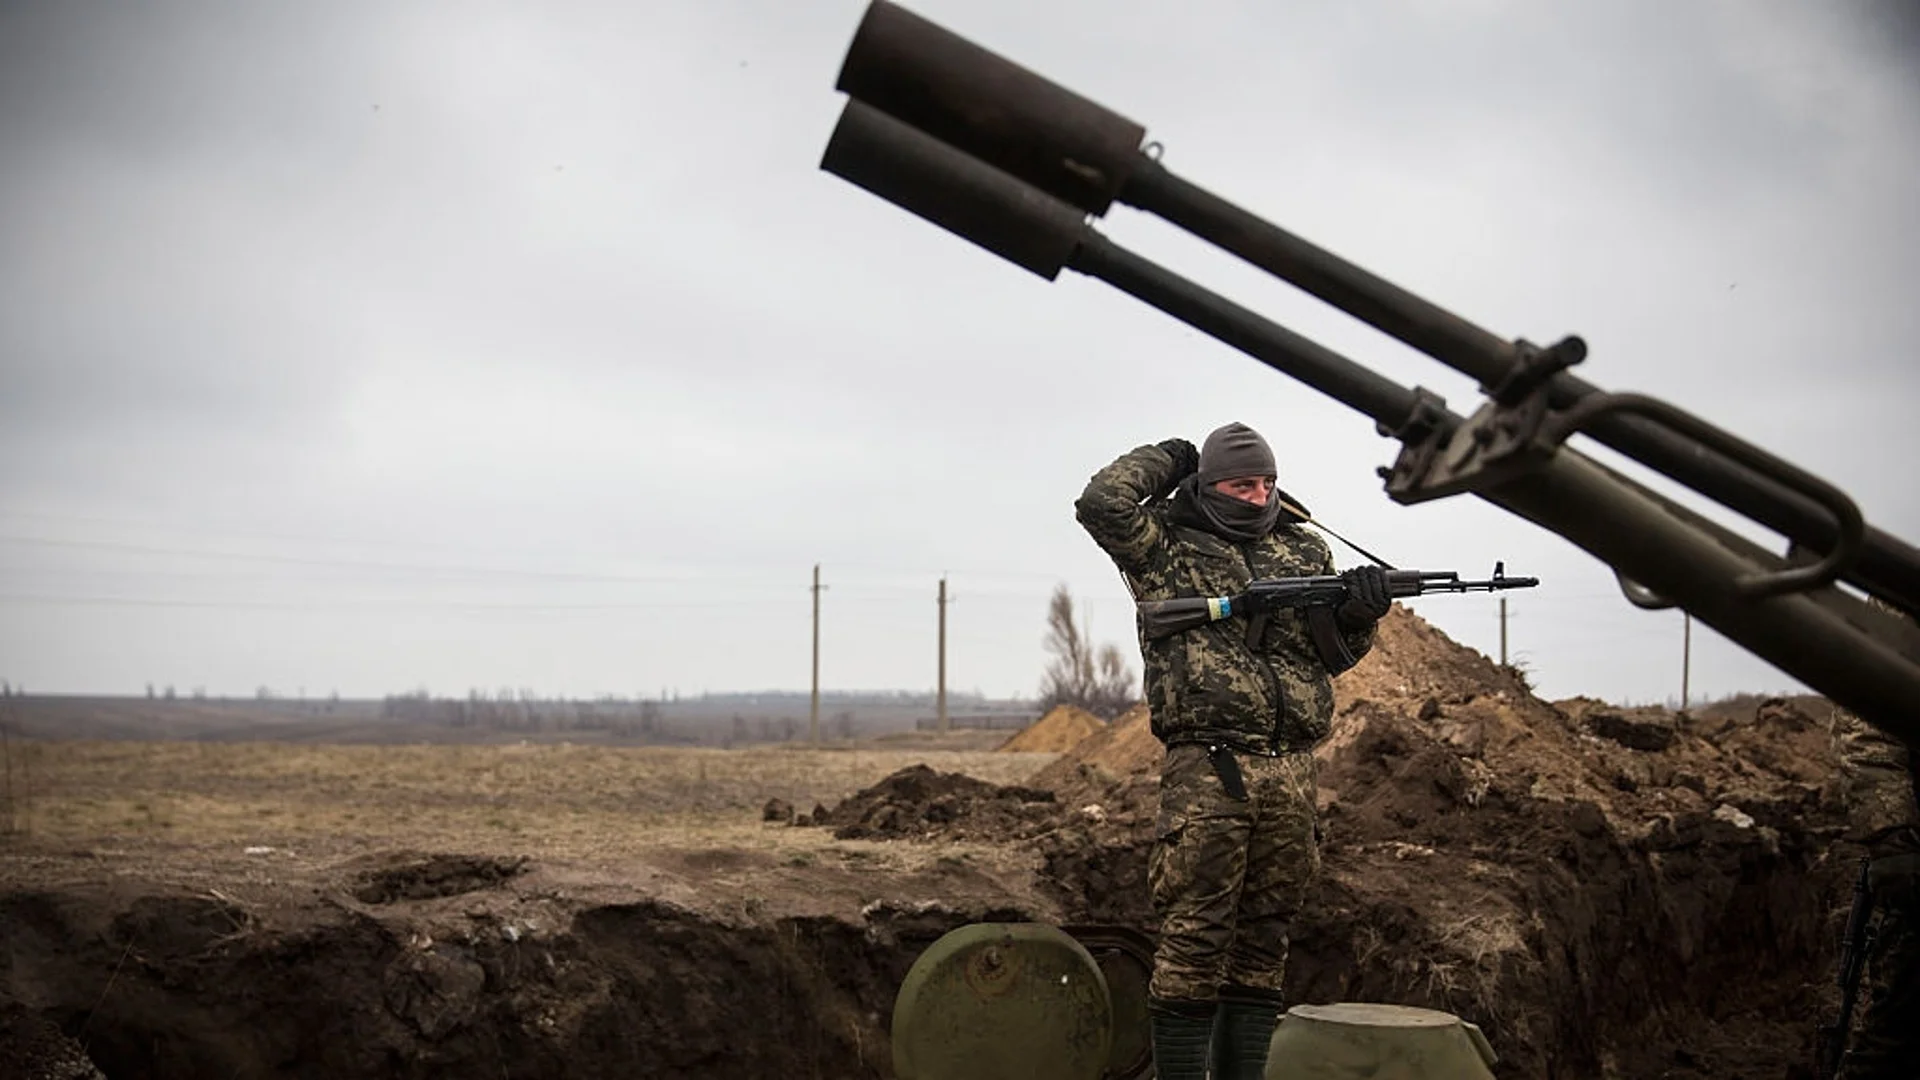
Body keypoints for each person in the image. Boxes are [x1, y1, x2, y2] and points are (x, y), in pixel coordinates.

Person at [1074, 421, 1391, 1080]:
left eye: (1267, 483)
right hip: (1211, 771)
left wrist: (1360, 614)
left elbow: (1328, 655)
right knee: (1195, 938)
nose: (1258, 496)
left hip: (1293, 771)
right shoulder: (1163, 546)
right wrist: (1171, 458)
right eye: (1241, 483)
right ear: (1210, 485)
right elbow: (1101, 502)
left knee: (1265, 942)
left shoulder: (1302, 548)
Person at [1829, 603, 1920, 1080]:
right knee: (1898, 1033)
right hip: (1919, 861)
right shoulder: (1902, 589)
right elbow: (1866, 726)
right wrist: (1893, 838)